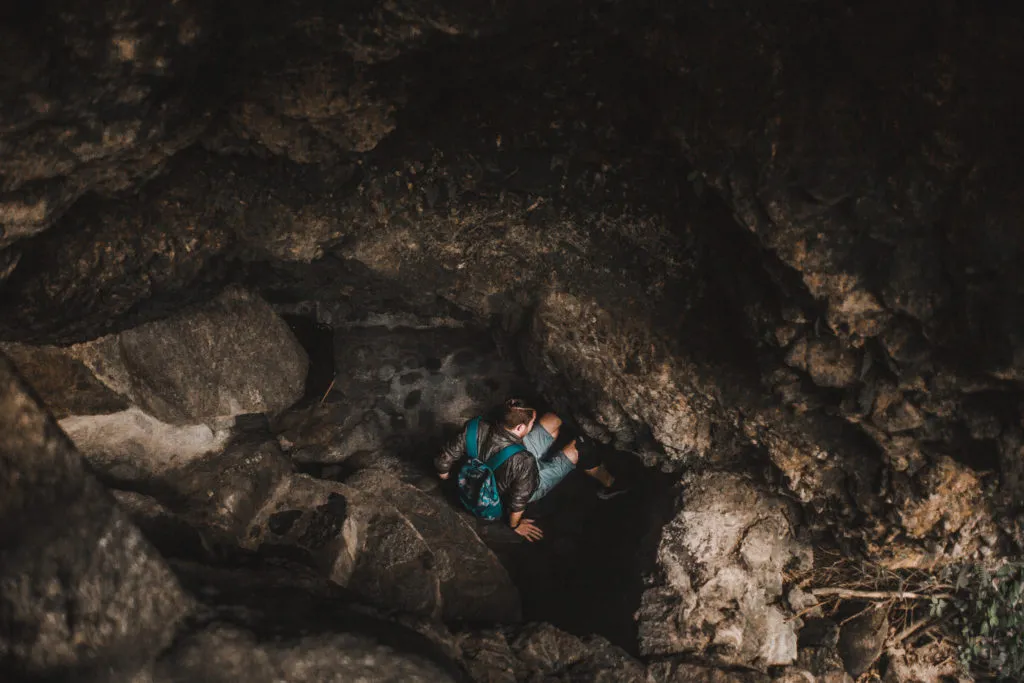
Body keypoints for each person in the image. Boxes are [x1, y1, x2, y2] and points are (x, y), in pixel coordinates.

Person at [435, 398, 627, 541]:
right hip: (527, 480)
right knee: (582, 449)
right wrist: (515, 525)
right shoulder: (524, 462)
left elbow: (443, 460)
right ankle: (611, 485)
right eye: (531, 424)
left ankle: (551, 452)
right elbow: (518, 501)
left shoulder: (474, 427)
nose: (533, 425)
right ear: (519, 427)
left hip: (509, 455)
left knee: (553, 420)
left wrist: (449, 481)